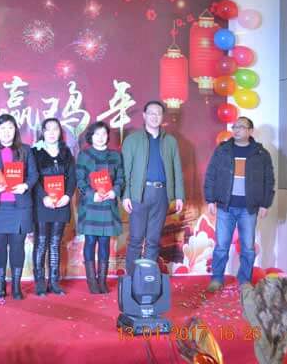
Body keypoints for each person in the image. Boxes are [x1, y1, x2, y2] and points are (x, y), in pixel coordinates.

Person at [204, 116, 275, 292]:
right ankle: (217, 279)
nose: (236, 130)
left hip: (248, 208)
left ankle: (244, 281)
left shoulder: (261, 154)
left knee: (248, 248)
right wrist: (210, 199)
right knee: (221, 246)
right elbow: (211, 174)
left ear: (250, 131)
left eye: (241, 127)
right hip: (225, 207)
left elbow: (269, 180)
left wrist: (265, 204)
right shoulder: (223, 150)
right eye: (235, 126)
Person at [122, 100, 184, 276]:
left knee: (153, 239)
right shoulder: (132, 140)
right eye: (151, 113)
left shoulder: (170, 141)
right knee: (136, 239)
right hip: (139, 194)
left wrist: (179, 195)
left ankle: (147, 278)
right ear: (144, 116)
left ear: (162, 117)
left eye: (158, 113)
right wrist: (126, 195)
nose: (155, 116)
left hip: (161, 194)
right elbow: (125, 170)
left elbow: (177, 169)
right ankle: (132, 278)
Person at [0, 114, 38, 300]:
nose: (6, 132)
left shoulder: (26, 150)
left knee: (17, 246)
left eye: (10, 128)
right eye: (3, 128)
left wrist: (25, 185)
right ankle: (0, 285)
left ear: (16, 130)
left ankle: (16, 286)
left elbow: (34, 174)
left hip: (19, 207)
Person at [76, 121, 124, 294]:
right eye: (97, 134)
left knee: (104, 243)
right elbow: (79, 180)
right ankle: (92, 282)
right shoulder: (84, 155)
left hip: (108, 204)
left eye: (104, 134)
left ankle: (102, 281)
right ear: (91, 136)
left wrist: (114, 191)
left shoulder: (115, 156)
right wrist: (92, 194)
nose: (100, 137)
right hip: (91, 204)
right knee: (90, 242)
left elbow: (121, 178)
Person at [31, 118, 76, 296]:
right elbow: (33, 178)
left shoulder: (66, 152)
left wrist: (67, 196)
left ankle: (54, 281)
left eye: (55, 129)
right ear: (42, 132)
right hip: (42, 203)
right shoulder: (35, 152)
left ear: (60, 132)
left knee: (55, 243)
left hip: (61, 203)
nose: (51, 132)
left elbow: (72, 177)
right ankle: (40, 282)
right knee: (41, 242)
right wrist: (44, 197)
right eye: (47, 129)